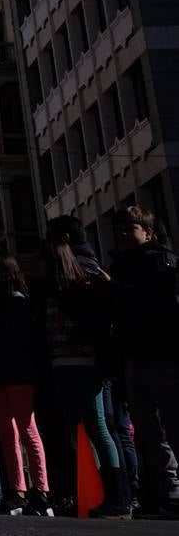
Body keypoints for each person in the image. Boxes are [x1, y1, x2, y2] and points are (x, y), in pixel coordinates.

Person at [43, 216, 128, 518]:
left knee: (99, 428)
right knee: (80, 430)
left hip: (85, 360)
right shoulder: (56, 278)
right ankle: (92, 494)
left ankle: (117, 495)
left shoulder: (86, 273)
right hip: (61, 360)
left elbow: (96, 317)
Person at [110, 205, 179, 516]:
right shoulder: (122, 266)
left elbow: (163, 307)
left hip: (162, 354)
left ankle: (172, 491)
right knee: (150, 431)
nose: (124, 234)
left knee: (171, 426)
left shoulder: (162, 262)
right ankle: (166, 492)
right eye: (121, 230)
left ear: (148, 232)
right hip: (135, 355)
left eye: (131, 229)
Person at [0, 252, 52, 516]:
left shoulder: (17, 302)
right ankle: (17, 490)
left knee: (27, 430)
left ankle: (41, 490)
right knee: (8, 434)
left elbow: (15, 341)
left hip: (17, 374)